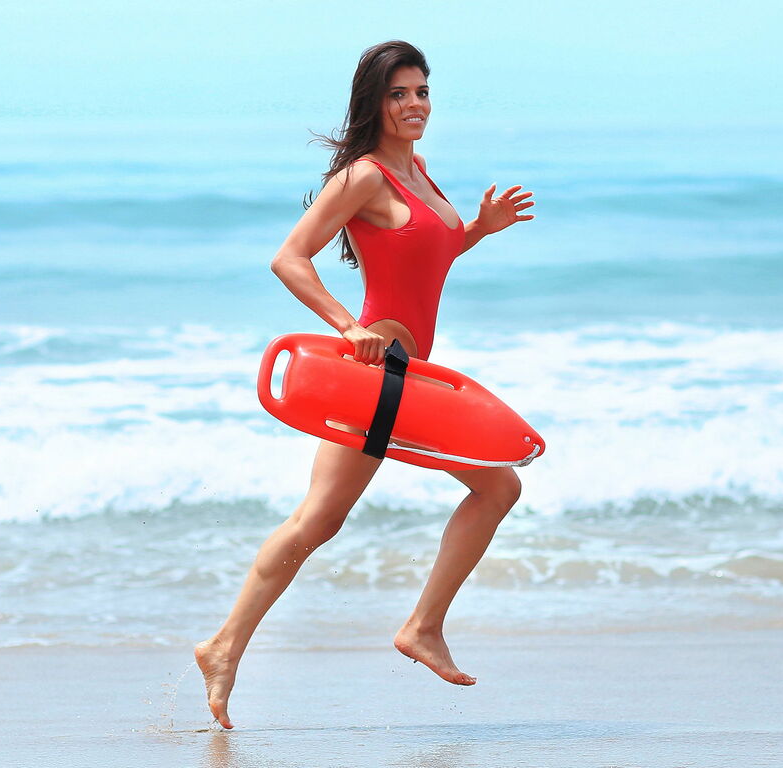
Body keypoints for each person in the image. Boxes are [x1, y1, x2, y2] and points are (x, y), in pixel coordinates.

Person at [195, 40, 535, 729]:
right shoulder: (364, 178)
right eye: (398, 94)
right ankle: (407, 629)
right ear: (373, 104)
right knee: (339, 515)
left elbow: (424, 257)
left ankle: (230, 646)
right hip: (379, 375)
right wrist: (348, 326)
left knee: (326, 518)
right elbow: (288, 258)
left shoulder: (418, 171)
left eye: (421, 92)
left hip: (408, 375)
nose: (414, 105)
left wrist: (478, 229)